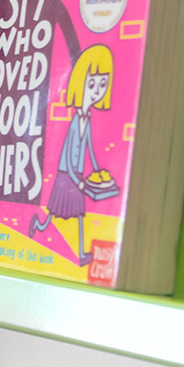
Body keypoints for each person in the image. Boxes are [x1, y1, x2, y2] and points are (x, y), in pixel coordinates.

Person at [29, 44, 114, 265]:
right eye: (92, 84)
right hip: (67, 175)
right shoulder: (76, 120)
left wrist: (97, 170)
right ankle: (39, 225)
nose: (97, 90)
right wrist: (78, 180)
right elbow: (67, 153)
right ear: (80, 82)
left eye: (103, 84)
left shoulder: (87, 118)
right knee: (55, 212)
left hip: (76, 174)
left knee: (76, 214)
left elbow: (89, 149)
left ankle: (80, 253)